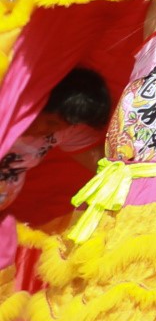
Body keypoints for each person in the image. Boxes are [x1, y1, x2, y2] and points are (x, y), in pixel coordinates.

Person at [0, 68, 111, 213]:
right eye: (51, 122)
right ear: (36, 104)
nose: (53, 130)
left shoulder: (63, 129)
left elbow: (105, 164)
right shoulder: (5, 116)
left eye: (64, 126)